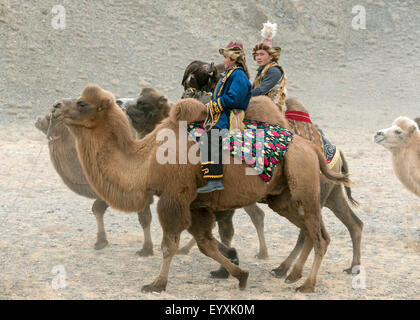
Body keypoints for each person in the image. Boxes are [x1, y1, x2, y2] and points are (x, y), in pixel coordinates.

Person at [197, 41, 252, 193]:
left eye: (226, 57)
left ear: (233, 59)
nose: (224, 60)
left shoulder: (238, 75)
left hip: (229, 118)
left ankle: (215, 179)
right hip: (222, 115)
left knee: (210, 138)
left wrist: (213, 106)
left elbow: (233, 98)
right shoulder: (231, 73)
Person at [251, 21, 287, 111]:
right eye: (257, 55)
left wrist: (242, 94)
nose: (258, 57)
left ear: (271, 57)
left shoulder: (274, 70)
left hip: (271, 111)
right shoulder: (262, 70)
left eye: (262, 54)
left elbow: (261, 91)